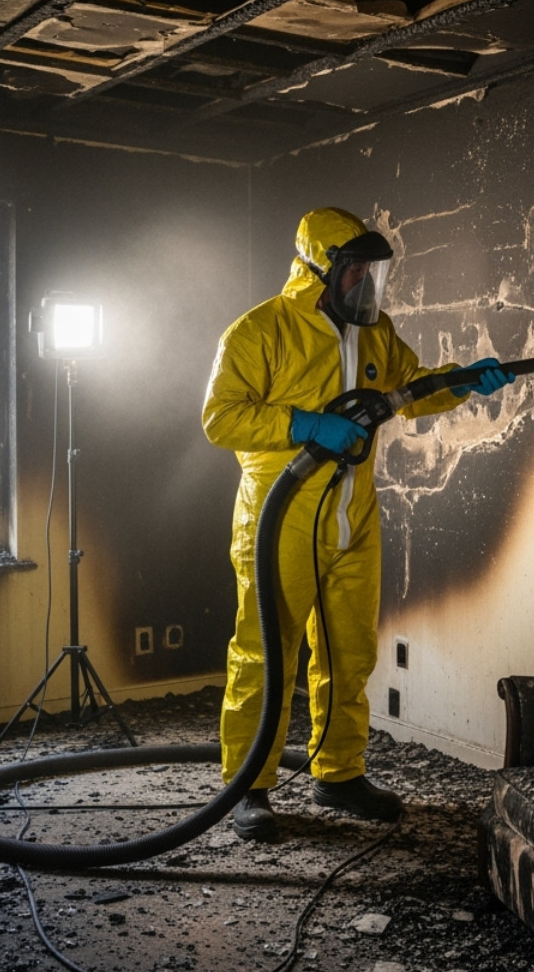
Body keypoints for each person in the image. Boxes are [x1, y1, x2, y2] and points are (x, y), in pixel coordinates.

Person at [201, 206, 513, 842]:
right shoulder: (260, 332)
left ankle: (339, 771)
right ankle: (249, 786)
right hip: (280, 514)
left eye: (373, 272)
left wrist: (462, 383)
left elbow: (409, 390)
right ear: (320, 271)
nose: (366, 285)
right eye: (355, 272)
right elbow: (221, 418)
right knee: (266, 655)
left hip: (353, 513)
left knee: (349, 652)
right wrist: (304, 425)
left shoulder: (375, 332)